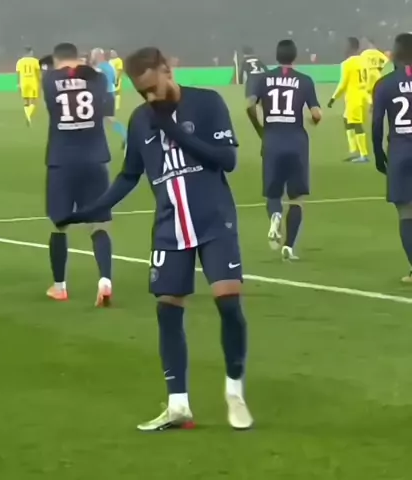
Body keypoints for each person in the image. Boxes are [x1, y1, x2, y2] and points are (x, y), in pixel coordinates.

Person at [57, 47, 252, 432]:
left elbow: (226, 160)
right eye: (141, 91)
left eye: (153, 87)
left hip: (214, 220)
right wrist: (91, 210)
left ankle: (235, 392)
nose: (150, 97)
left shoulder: (207, 103)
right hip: (169, 226)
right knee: (167, 310)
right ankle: (178, 405)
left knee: (228, 304)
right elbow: (130, 175)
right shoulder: (141, 120)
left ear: (167, 70)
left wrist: (174, 130)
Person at [42, 42, 113, 305]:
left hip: (62, 160)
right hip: (95, 159)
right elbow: (103, 99)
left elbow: (57, 76)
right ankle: (105, 280)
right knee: (99, 224)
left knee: (59, 225)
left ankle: (60, 287)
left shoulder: (49, 81)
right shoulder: (98, 79)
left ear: (57, 59)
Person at [246, 39, 321, 260]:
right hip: (297, 142)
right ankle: (288, 247)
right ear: (294, 56)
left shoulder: (262, 79)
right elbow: (316, 114)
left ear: (276, 56)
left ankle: (275, 216)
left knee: (273, 193)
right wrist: (314, 120)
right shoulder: (304, 80)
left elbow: (250, 105)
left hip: (272, 140)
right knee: (296, 198)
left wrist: (260, 128)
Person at [372, 33, 412, 283]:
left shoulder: (385, 84)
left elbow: (377, 124)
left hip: (400, 153)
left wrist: (379, 155)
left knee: (406, 213)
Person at [328, 37, 370, 163]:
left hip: (354, 98)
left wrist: (333, 98)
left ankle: (363, 155)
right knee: (347, 121)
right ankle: (354, 150)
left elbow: (343, 84)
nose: (344, 48)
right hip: (362, 96)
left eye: (346, 45)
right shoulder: (364, 61)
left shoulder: (347, 64)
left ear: (351, 47)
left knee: (356, 124)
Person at [90, 48, 127, 146]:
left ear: (98, 56)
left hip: (104, 95)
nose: (92, 57)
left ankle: (126, 136)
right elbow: (114, 80)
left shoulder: (99, 68)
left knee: (106, 120)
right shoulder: (110, 66)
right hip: (110, 94)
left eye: (93, 55)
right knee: (105, 120)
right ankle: (104, 142)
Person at [15, 47, 41, 125]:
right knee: (34, 100)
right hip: (33, 82)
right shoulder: (35, 61)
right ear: (30, 52)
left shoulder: (20, 62)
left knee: (26, 101)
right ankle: (28, 116)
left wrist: (18, 83)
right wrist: (40, 82)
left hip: (23, 82)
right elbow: (38, 72)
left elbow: (18, 73)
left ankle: (27, 115)